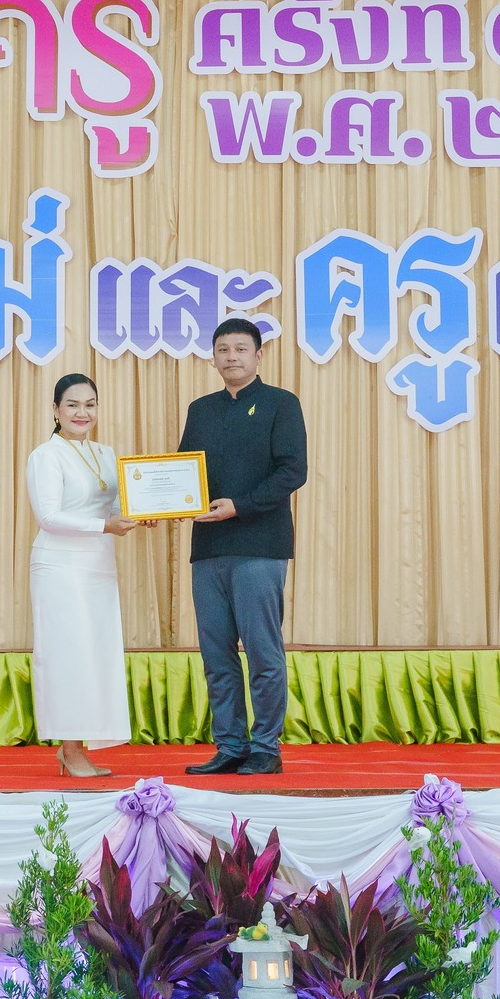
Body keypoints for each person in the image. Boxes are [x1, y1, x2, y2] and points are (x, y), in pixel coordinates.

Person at [177, 318, 308, 776]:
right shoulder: (200, 409)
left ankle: (266, 747)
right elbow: (183, 472)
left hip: (259, 546)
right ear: (212, 357)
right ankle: (230, 746)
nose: (231, 356)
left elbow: (293, 471)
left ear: (258, 355)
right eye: (222, 349)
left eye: (240, 348)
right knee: (216, 656)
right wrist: (159, 504)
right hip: (208, 549)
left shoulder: (281, 404)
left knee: (262, 653)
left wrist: (241, 506)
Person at [26, 372, 143, 778]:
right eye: (72, 405)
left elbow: (115, 507)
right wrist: (105, 526)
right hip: (59, 566)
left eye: (90, 404)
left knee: (94, 655)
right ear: (55, 410)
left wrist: (142, 514)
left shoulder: (106, 454)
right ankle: (70, 749)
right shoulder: (46, 455)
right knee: (68, 657)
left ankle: (79, 747)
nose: (82, 412)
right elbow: (48, 517)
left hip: (97, 565)